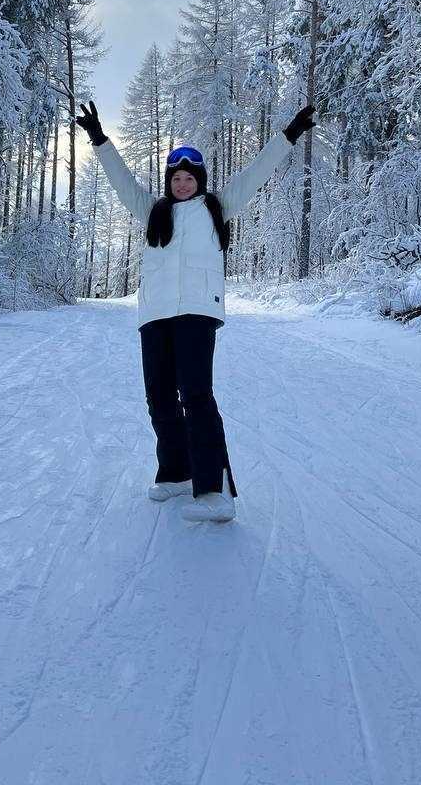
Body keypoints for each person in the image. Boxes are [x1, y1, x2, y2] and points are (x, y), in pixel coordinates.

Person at [75, 100, 316, 524]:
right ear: (169, 181)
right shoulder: (152, 212)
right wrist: (99, 140)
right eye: (176, 178)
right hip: (155, 316)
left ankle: (214, 489)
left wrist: (289, 134)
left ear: (199, 180)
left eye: (189, 177)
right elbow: (121, 180)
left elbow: (257, 170)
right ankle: (177, 472)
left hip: (197, 314)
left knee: (197, 396)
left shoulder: (216, 207)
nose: (183, 184)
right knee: (159, 400)